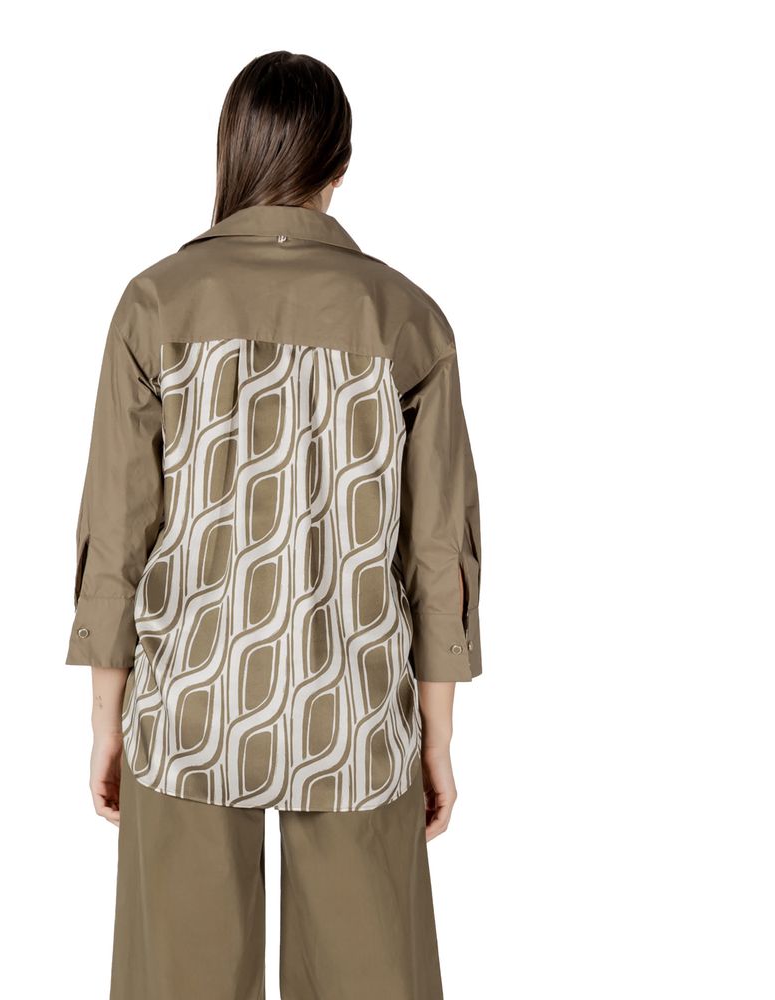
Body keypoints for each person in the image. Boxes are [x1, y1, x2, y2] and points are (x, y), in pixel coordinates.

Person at [65, 49, 483, 1000]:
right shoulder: (406, 317)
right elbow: (436, 553)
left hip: (189, 703)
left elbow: (117, 531)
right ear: (341, 164)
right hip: (354, 706)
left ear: (233, 152)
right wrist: (437, 736)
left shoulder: (154, 304)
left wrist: (105, 720)